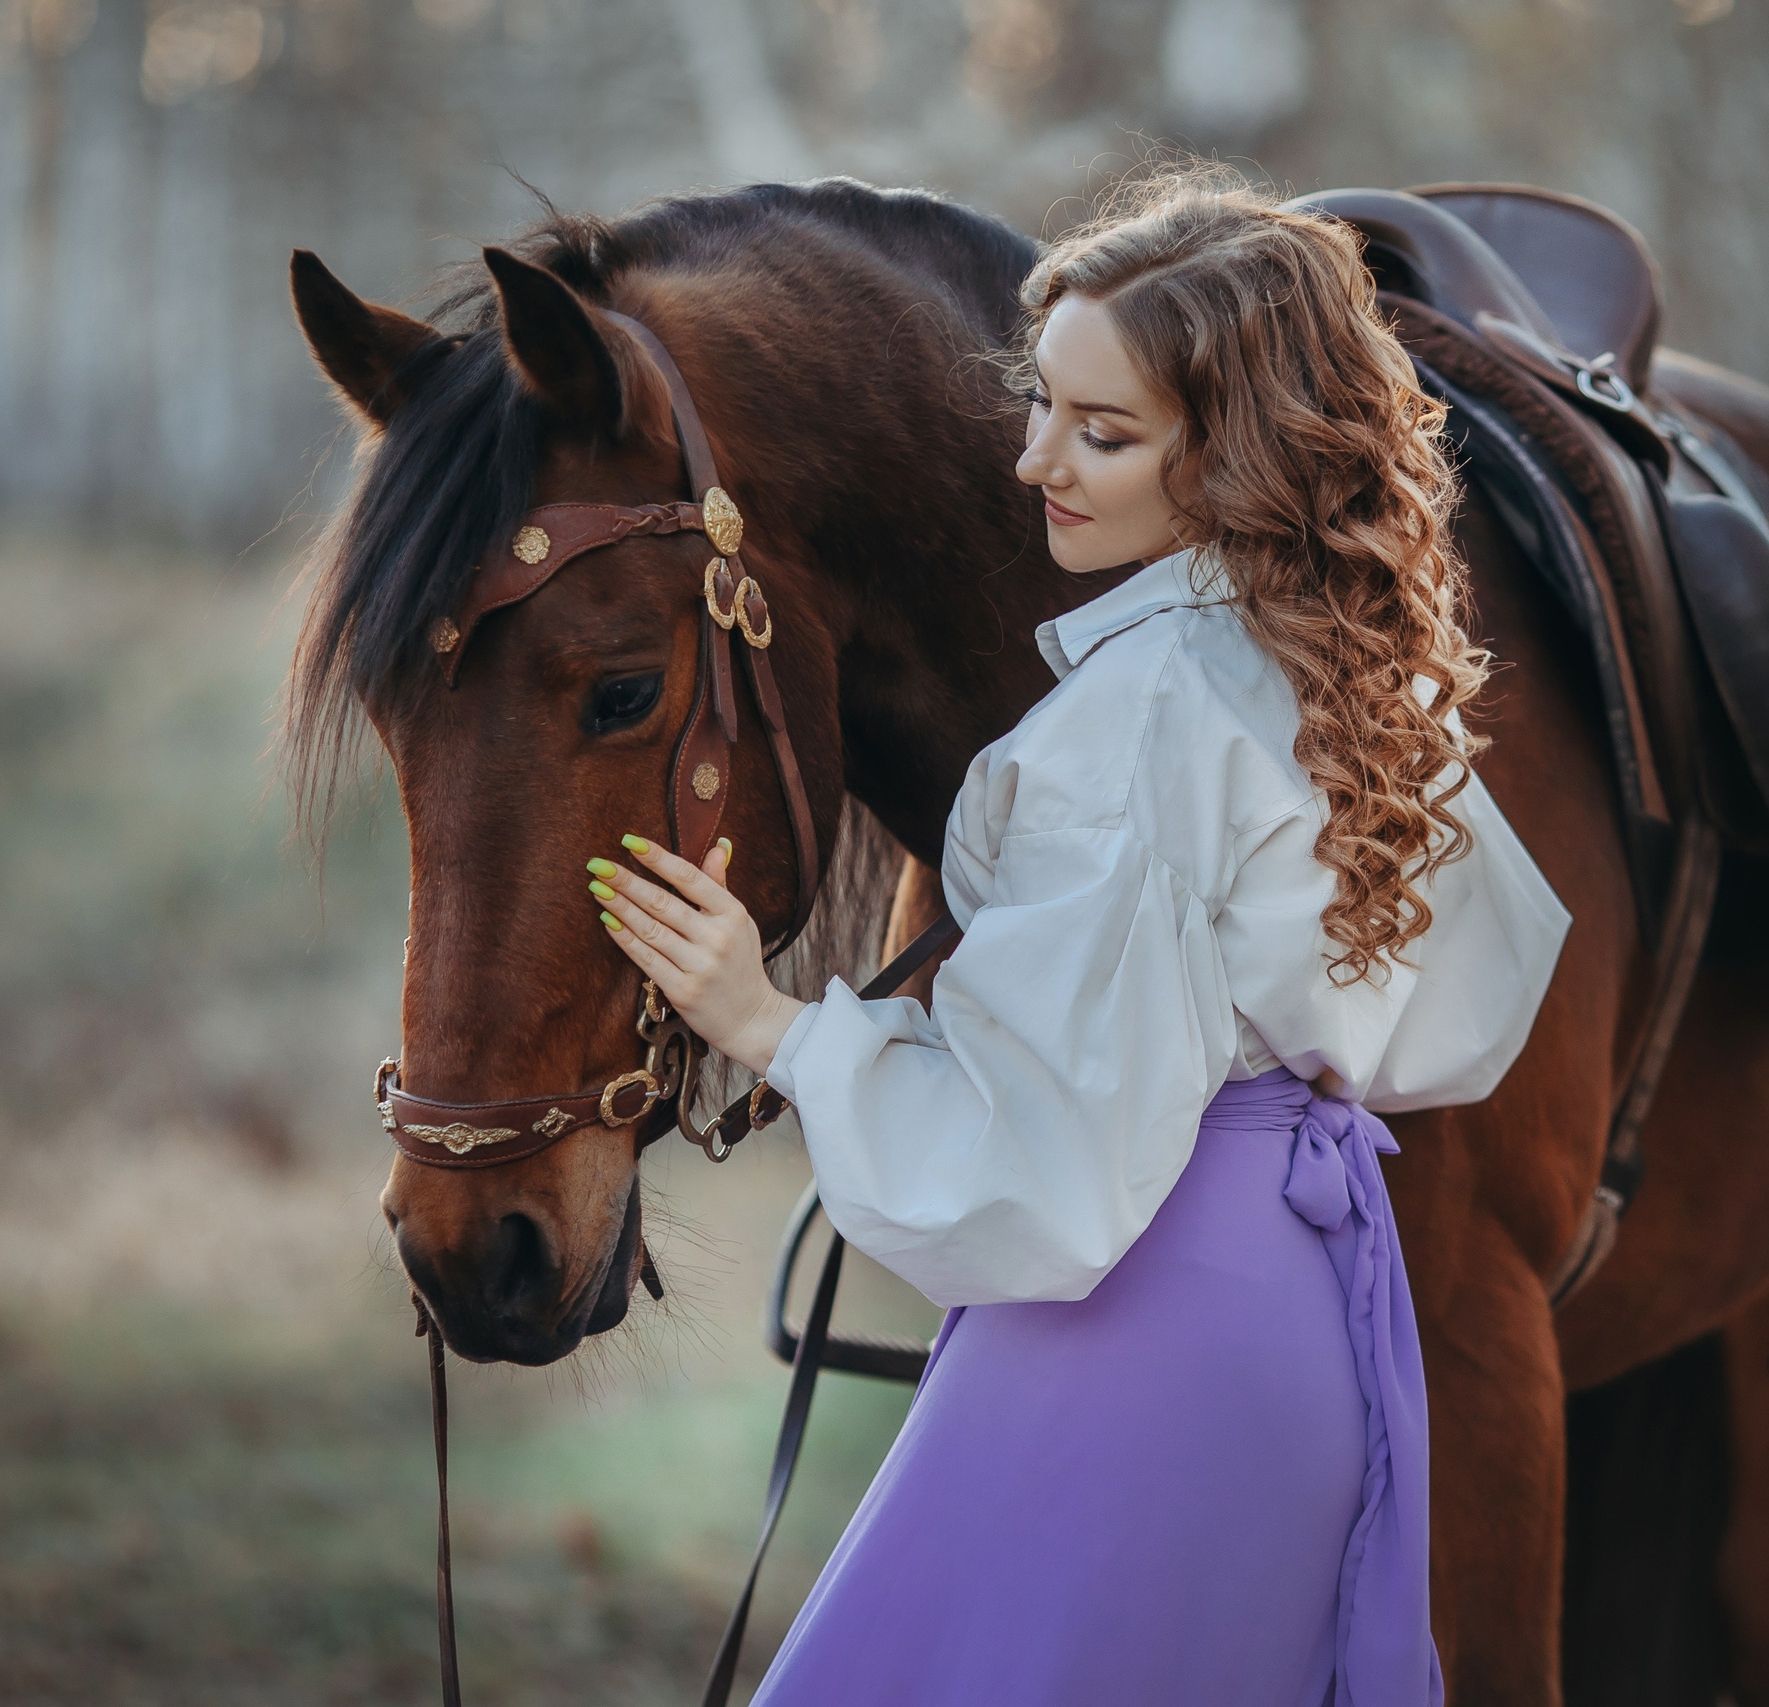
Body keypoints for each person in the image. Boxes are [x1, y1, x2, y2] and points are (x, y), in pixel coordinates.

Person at [584, 169, 1569, 1707]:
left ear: (1232, 459)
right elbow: (1465, 1008)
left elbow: (1036, 1175)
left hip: (1140, 1336)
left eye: (1102, 436)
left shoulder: (1127, 725)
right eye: (1039, 407)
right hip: (1305, 1326)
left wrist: (768, 1021)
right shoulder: (1344, 674)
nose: (1037, 462)